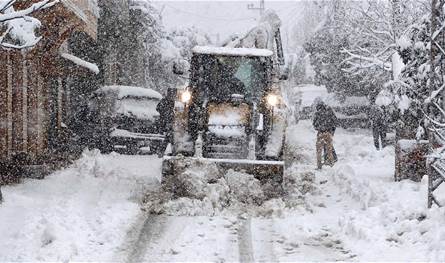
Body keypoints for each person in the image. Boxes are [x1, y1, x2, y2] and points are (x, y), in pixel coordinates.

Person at [313, 100, 338, 169]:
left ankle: (319, 165)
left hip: (320, 133)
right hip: (328, 132)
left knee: (319, 151)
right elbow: (335, 121)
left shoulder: (317, 113)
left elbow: (314, 124)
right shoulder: (329, 111)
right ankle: (331, 163)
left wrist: (319, 128)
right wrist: (332, 131)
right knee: (329, 149)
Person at [156, 88, 176, 157]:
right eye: (171, 94)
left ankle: (163, 151)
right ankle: (171, 151)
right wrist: (165, 113)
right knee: (170, 137)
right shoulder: (164, 101)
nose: (172, 96)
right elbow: (158, 108)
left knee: (170, 137)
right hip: (165, 121)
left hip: (170, 121)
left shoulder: (172, 102)